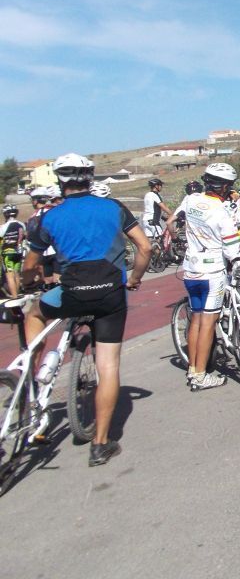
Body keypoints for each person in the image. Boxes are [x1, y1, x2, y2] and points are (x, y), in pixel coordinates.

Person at [21, 153, 151, 465]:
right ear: (90, 178)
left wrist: (29, 282)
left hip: (71, 293)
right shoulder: (113, 208)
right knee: (108, 367)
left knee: (34, 314)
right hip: (110, 295)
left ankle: (32, 372)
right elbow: (145, 247)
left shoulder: (48, 217)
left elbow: (30, 265)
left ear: (59, 181)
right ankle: (101, 444)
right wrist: (134, 278)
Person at [180, 162, 240, 391]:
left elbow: (175, 219)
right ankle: (200, 375)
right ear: (225, 187)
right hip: (213, 272)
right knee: (208, 323)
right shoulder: (221, 213)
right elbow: (232, 250)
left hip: (191, 269)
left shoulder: (190, 200)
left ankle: (192, 369)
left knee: (196, 320)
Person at [2, 204, 25, 298]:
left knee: (9, 276)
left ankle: (14, 296)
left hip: (7, 253)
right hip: (19, 252)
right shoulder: (21, 224)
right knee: (17, 274)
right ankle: (17, 293)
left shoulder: (4, 226)